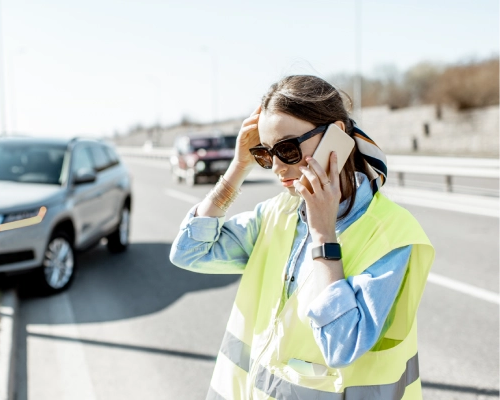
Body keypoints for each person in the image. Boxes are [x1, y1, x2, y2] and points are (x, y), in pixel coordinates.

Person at [169, 75, 435, 400]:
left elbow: (342, 344)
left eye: (288, 149)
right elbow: (189, 252)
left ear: (336, 134)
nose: (277, 167)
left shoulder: (391, 233)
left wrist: (323, 235)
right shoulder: (277, 214)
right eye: (265, 153)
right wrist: (238, 166)